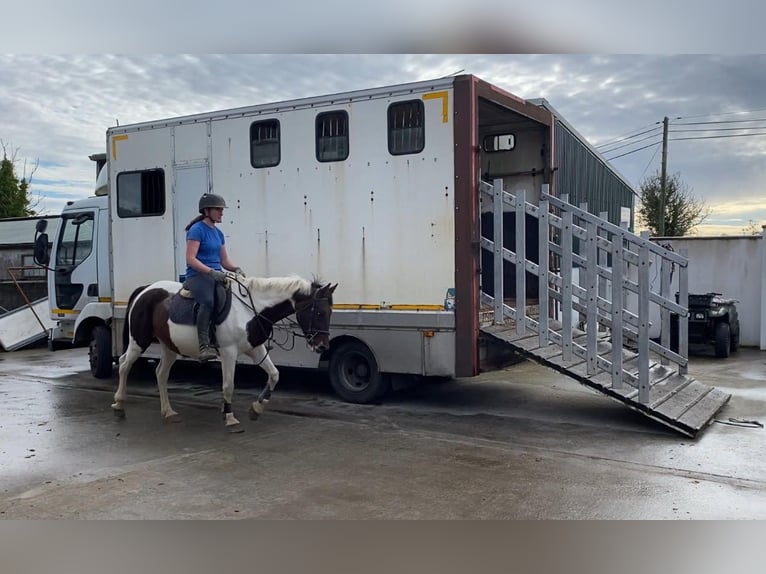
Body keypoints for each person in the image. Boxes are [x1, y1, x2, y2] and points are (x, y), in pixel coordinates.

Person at [184, 193, 245, 362]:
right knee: (208, 301)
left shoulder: (218, 233)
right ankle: (204, 345)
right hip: (197, 276)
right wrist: (211, 272)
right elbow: (190, 258)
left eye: (221, 210)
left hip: (216, 276)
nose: (221, 213)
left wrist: (236, 269)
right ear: (206, 210)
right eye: (218, 209)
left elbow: (224, 261)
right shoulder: (197, 230)